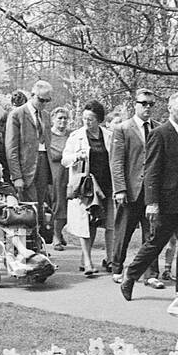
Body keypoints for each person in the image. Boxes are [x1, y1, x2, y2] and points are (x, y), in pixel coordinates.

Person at [118, 91, 178, 299]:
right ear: (170, 109)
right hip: (167, 202)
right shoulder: (160, 133)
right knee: (156, 243)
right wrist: (152, 202)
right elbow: (152, 171)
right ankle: (130, 274)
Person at [110, 89, 163, 289]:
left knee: (152, 235)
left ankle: (150, 274)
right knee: (123, 232)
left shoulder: (158, 129)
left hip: (151, 192)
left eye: (151, 104)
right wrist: (120, 189)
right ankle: (117, 268)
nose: (147, 107)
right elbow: (116, 162)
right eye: (144, 103)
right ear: (135, 104)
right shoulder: (123, 128)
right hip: (130, 190)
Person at [62, 101, 113, 277]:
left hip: (106, 184)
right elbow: (64, 159)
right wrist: (77, 156)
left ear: (99, 120)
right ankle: (88, 262)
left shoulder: (109, 136)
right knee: (86, 222)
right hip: (86, 185)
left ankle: (110, 259)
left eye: (90, 119)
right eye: (84, 118)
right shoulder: (76, 136)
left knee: (109, 222)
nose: (86, 122)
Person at [6, 80, 55, 205]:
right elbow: (11, 149)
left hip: (44, 164)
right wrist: (17, 176)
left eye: (47, 101)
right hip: (25, 168)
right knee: (28, 209)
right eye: (41, 100)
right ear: (32, 95)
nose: (44, 104)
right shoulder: (17, 115)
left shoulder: (46, 115)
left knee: (43, 207)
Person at [46, 106, 72, 250]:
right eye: (59, 118)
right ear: (53, 119)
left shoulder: (71, 135)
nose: (62, 121)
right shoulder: (48, 136)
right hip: (55, 175)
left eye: (65, 118)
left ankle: (60, 232)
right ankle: (55, 236)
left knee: (70, 205)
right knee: (58, 204)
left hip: (70, 174)